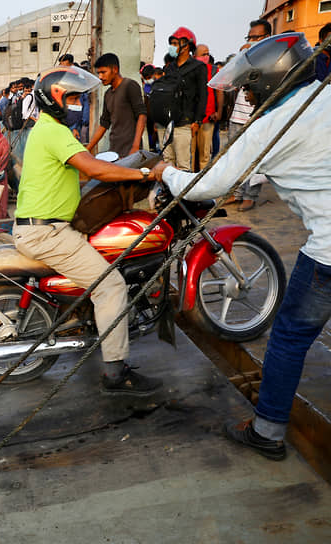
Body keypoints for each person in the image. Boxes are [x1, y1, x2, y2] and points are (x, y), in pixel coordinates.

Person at [150, 33, 323, 460]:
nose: (245, 94)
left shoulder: (270, 126)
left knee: (288, 337)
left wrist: (166, 172)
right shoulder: (325, 96)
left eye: (249, 86)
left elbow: (209, 184)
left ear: (271, 79)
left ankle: (266, 431)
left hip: (328, 252)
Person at [14, 66, 163, 395]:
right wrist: (142, 176)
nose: (76, 103)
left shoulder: (48, 130)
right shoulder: (53, 131)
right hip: (46, 233)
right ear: (53, 98)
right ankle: (115, 372)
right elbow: (93, 168)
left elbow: (82, 173)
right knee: (111, 285)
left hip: (46, 228)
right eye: (71, 97)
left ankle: (96, 328)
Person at [226, 19, 273, 210]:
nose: (252, 40)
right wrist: (242, 58)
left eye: (256, 37)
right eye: (250, 37)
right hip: (238, 115)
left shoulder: (273, 59)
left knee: (254, 158)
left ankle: (250, 196)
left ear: (267, 37)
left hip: (257, 116)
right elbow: (233, 80)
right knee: (234, 158)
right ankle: (236, 193)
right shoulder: (246, 56)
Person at [162, 27, 208, 172]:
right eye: (172, 43)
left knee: (183, 164)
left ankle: (182, 194)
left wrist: (198, 120)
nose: (172, 47)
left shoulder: (199, 67)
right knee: (167, 161)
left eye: (176, 43)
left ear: (186, 45)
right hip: (168, 122)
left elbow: (202, 95)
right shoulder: (170, 68)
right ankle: (168, 192)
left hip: (186, 122)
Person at [86, 53, 148, 158]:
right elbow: (104, 124)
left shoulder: (129, 85)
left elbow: (142, 115)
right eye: (99, 73)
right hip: (114, 150)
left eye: (103, 72)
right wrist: (87, 149)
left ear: (114, 69)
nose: (100, 77)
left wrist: (136, 146)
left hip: (130, 150)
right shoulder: (107, 94)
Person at [194, 44, 223, 171]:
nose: (206, 56)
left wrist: (219, 111)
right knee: (191, 154)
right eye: (203, 54)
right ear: (195, 56)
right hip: (191, 118)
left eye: (207, 54)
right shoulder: (189, 70)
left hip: (208, 117)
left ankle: (200, 183)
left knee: (204, 154)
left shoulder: (213, 70)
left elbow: (219, 91)